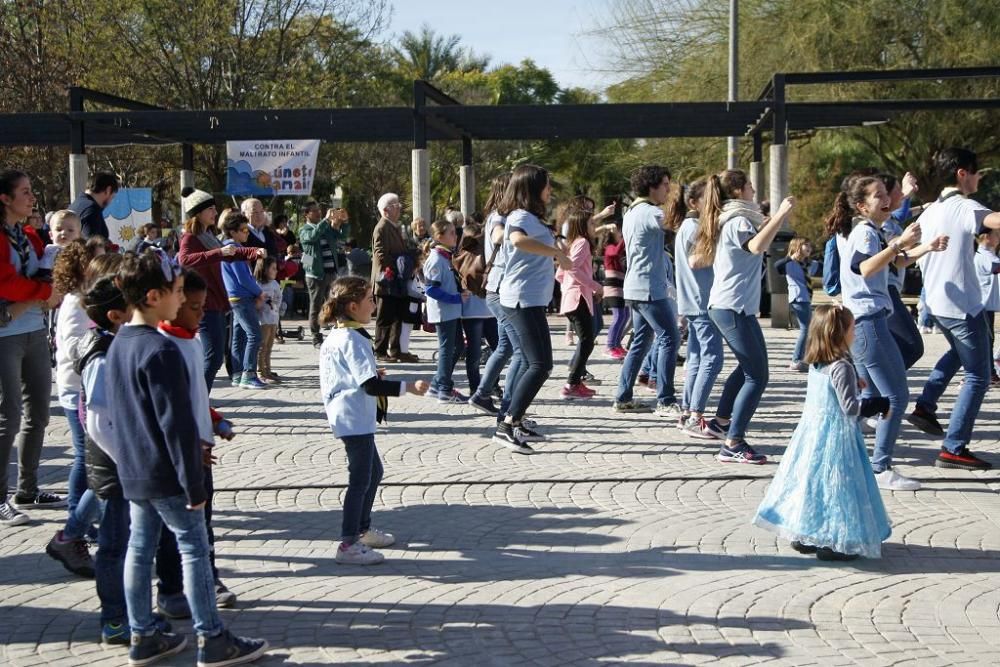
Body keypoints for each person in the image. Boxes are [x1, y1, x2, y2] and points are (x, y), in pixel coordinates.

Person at [105, 250, 269, 666]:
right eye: (179, 292)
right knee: (194, 548)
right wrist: (193, 482)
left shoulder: (121, 342)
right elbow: (176, 426)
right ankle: (212, 637)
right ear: (155, 296)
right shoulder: (160, 351)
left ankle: (142, 633)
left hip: (136, 469)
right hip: (170, 473)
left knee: (140, 550)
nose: (182, 300)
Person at [829, 175, 945, 489]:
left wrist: (925, 248)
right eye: (878, 195)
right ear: (861, 205)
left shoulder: (873, 231)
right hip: (868, 322)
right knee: (896, 395)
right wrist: (899, 243)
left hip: (869, 322)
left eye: (885, 193)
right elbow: (864, 268)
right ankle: (880, 467)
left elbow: (899, 261)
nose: (886, 199)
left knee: (876, 396)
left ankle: (851, 458)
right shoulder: (866, 232)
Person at [752, 305, 892, 561]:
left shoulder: (817, 363)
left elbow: (830, 391)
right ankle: (835, 542)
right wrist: (879, 404)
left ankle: (806, 532)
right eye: (852, 328)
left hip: (811, 434)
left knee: (811, 484)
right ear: (839, 334)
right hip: (837, 437)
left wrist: (853, 382)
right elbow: (850, 409)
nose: (855, 332)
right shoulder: (842, 367)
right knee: (839, 486)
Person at [318, 277, 429, 565]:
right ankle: (348, 543)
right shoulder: (352, 339)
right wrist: (408, 387)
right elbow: (369, 386)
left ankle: (363, 529)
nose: (374, 304)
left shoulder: (339, 335)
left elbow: (352, 377)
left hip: (350, 414)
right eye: (370, 299)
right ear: (354, 306)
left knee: (373, 472)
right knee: (360, 480)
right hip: (353, 417)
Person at [691, 169, 795, 465]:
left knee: (750, 368)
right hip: (730, 306)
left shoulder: (739, 219)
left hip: (738, 308)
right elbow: (757, 246)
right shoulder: (737, 221)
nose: (753, 189)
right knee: (757, 375)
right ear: (738, 191)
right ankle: (733, 442)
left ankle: (721, 422)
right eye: (750, 185)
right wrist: (780, 214)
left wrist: (772, 219)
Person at [907, 148, 1000, 470]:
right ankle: (954, 447)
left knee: (961, 354)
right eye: (976, 173)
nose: (978, 179)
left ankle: (925, 406)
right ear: (963, 173)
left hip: (937, 302)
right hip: (962, 305)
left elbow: (910, 244)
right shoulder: (963, 205)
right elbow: (994, 221)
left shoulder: (933, 209)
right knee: (979, 375)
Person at [158, 267, 240, 610]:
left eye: (204, 306)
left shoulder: (191, 339)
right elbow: (168, 410)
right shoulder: (163, 345)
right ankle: (171, 589)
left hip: (200, 451)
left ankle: (208, 576)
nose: (201, 313)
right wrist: (191, 447)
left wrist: (216, 421)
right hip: (177, 456)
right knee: (171, 530)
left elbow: (195, 396)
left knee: (204, 521)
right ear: (172, 303)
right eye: (194, 306)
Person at [0, 169, 65, 526]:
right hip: (4, 338)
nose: (32, 197)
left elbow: (43, 277)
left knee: (38, 413)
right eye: (24, 192)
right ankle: (0, 498)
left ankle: (27, 488)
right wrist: (39, 294)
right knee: (7, 417)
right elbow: (8, 284)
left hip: (33, 331)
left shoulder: (29, 236)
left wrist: (34, 296)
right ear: (5, 199)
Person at [492, 164, 572, 454]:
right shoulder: (519, 216)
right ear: (532, 188)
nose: (550, 191)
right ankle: (507, 424)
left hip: (531, 299)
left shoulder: (533, 217)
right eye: (547, 185)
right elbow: (517, 240)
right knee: (540, 365)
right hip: (520, 300)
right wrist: (556, 254)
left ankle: (516, 420)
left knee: (531, 363)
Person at [45, 241, 103, 577]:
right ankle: (74, 526)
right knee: (90, 461)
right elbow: (73, 347)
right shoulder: (75, 303)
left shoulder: (89, 299)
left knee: (94, 463)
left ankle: (80, 526)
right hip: (77, 390)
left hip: (87, 388)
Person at [177, 186, 264, 393]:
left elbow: (230, 253)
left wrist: (253, 251)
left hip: (216, 301)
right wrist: (218, 252)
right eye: (211, 210)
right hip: (203, 304)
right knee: (213, 356)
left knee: (215, 356)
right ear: (198, 213)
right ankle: (198, 399)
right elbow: (185, 260)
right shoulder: (191, 237)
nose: (215, 213)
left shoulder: (208, 236)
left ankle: (199, 400)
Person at [612, 165, 683, 418]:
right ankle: (665, 400)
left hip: (636, 286)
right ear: (652, 187)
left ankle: (623, 397)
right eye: (665, 184)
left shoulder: (633, 211)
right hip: (649, 288)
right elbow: (676, 226)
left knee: (641, 342)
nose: (668, 190)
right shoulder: (651, 213)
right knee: (670, 339)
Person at [673, 179, 727, 440]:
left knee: (696, 357)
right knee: (713, 358)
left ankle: (687, 411)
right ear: (694, 202)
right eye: (708, 198)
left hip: (693, 302)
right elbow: (698, 261)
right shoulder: (694, 227)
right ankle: (695, 415)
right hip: (702, 301)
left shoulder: (687, 226)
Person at [469, 173, 522, 417]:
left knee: (505, 347)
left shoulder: (496, 216)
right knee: (520, 348)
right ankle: (510, 408)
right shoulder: (500, 218)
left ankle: (482, 393)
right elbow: (498, 236)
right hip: (500, 291)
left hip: (496, 289)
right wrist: (519, 233)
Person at [878, 172, 925, 369]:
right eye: (898, 190)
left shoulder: (888, 221)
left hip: (889, 289)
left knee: (899, 346)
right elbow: (894, 256)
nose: (903, 194)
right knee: (912, 346)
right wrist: (903, 243)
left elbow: (900, 214)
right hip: (884, 289)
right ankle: (878, 386)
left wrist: (927, 247)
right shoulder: (875, 226)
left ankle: (875, 387)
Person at [556, 205, 602, 399]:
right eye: (591, 223)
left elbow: (560, 274)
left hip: (573, 297)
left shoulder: (574, 243)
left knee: (587, 340)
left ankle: (575, 381)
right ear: (582, 225)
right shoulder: (582, 242)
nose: (594, 226)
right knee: (586, 341)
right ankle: (571, 385)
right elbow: (571, 268)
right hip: (577, 299)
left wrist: (567, 287)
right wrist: (594, 286)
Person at [423, 221, 471, 402]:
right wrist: (456, 298)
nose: (455, 236)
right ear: (439, 237)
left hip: (452, 311)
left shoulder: (446, 257)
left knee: (458, 346)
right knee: (446, 349)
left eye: (455, 232)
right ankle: (444, 388)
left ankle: (437, 384)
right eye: (451, 233)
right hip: (443, 312)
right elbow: (430, 289)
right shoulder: (436, 259)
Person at [220, 213, 267, 390]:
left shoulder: (230, 247)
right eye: (243, 230)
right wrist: (259, 292)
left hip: (235, 297)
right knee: (255, 335)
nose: (247, 233)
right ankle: (248, 374)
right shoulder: (233, 249)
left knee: (238, 338)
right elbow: (243, 278)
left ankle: (238, 374)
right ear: (232, 232)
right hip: (242, 297)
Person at [454, 221, 497, 401]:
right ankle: (476, 388)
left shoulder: (487, 252)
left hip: (488, 308)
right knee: (475, 352)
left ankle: (490, 385)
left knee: (497, 349)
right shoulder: (462, 256)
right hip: (473, 309)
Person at [300, 200, 347, 347]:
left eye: (318, 210)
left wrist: (343, 221)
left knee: (333, 303)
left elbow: (340, 236)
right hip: (315, 274)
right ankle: (316, 336)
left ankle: (335, 330)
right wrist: (326, 220)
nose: (318, 212)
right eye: (314, 211)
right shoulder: (304, 230)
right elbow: (313, 236)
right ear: (306, 214)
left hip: (331, 272)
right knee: (315, 305)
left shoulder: (325, 228)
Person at [370, 193, 409, 362]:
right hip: (386, 281)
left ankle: (395, 349)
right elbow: (379, 253)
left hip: (397, 280)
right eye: (395, 205)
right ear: (385, 210)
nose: (399, 207)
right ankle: (380, 351)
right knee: (385, 318)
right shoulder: (382, 227)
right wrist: (393, 267)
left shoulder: (394, 226)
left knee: (397, 317)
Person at [775, 237, 814, 371]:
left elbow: (820, 267)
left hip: (806, 298)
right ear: (797, 247)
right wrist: (790, 258)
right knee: (806, 329)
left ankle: (803, 358)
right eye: (805, 245)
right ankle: (796, 360)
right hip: (798, 298)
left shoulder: (806, 264)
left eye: (810, 245)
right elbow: (777, 266)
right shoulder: (789, 264)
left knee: (808, 329)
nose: (809, 248)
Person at [974, 227, 1000, 384]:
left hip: (986, 305)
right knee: (987, 339)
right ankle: (989, 373)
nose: (999, 237)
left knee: (988, 339)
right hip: (982, 305)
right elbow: (997, 267)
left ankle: (989, 372)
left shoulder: (988, 254)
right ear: (986, 237)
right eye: (996, 234)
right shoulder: (984, 255)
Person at [254, 257, 282, 384]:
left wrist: (276, 305)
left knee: (269, 346)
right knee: (262, 346)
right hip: (263, 320)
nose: (276, 271)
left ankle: (268, 370)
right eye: (273, 268)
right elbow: (256, 301)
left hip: (273, 318)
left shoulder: (275, 283)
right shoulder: (257, 284)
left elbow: (278, 298)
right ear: (265, 270)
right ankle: (261, 372)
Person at [601, 223, 627, 359]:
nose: (621, 235)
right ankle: (609, 346)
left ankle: (617, 344)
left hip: (620, 286)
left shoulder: (618, 249)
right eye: (618, 233)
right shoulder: (609, 247)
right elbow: (615, 252)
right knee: (618, 317)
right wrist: (626, 237)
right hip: (612, 287)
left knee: (625, 315)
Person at [69, 172, 119, 240]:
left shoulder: (75, 204)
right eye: (112, 197)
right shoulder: (91, 210)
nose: (111, 201)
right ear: (108, 190)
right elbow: (92, 244)